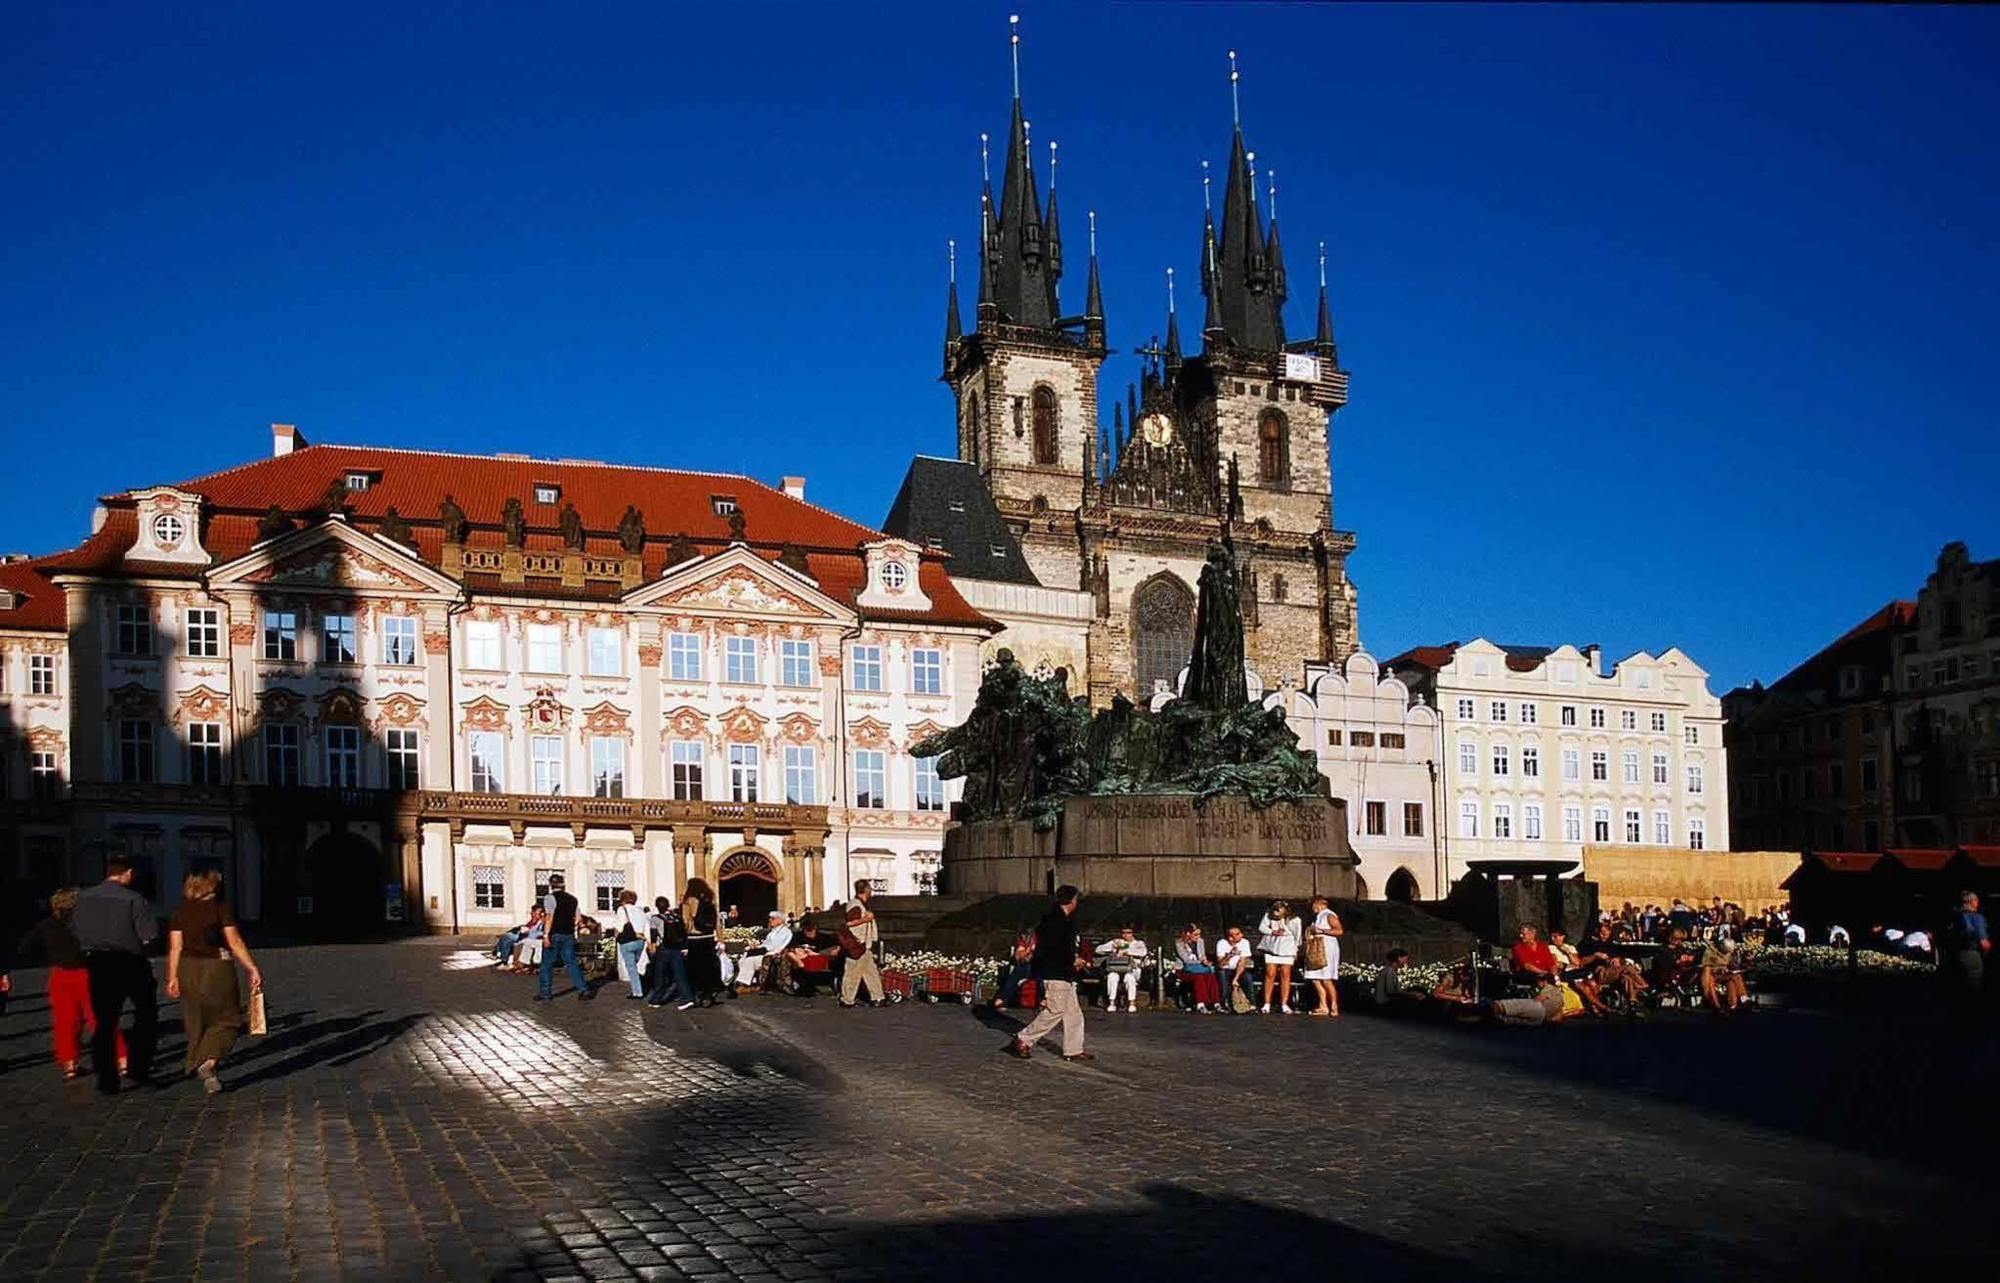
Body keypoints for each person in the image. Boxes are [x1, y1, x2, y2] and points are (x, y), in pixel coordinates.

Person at [165, 869, 262, 1094]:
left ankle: (195, 1059)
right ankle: (208, 1062)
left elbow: (175, 947)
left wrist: (172, 977)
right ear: (212, 885)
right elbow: (234, 941)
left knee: (195, 1018)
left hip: (187, 967)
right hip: (216, 967)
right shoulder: (220, 909)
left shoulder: (180, 912)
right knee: (227, 1018)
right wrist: (251, 967)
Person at [15, 888, 128, 1079]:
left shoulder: (47, 925)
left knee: (66, 1021)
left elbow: (24, 947)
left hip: (61, 975)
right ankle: (122, 1060)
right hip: (89, 974)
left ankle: (70, 1064)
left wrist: (49, 954)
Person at [72, 858, 160, 1093]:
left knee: (105, 1022)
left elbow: (76, 931)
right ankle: (138, 1068)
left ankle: (106, 1078)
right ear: (128, 873)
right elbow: (148, 936)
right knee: (146, 1014)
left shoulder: (84, 897)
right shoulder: (133, 899)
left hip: (98, 962)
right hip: (130, 960)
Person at [1003, 885, 1092, 1061]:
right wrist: (1073, 960)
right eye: (1075, 899)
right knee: (1055, 1010)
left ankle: (1073, 1049)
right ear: (1070, 900)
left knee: (1073, 1013)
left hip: (1063, 971)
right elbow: (1052, 949)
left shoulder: (1065, 920)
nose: (1077, 903)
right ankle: (1023, 1039)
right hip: (1055, 971)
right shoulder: (1054, 921)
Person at [535, 874, 595, 1002]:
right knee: (572, 963)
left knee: (547, 964)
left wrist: (546, 935)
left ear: (551, 885)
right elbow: (578, 918)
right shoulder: (573, 899)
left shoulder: (550, 898)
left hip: (554, 933)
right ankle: (583, 989)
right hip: (568, 934)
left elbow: (550, 916)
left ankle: (545, 993)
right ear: (563, 884)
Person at [838, 879, 884, 1008]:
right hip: (858, 945)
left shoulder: (861, 904)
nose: (871, 892)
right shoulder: (856, 905)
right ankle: (847, 1000)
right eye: (870, 889)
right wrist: (866, 919)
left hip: (864, 945)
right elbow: (849, 923)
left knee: (871, 972)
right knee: (852, 973)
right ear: (866, 890)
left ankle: (878, 997)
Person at [645, 894, 693, 1008]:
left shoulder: (655, 918)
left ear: (657, 906)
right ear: (668, 905)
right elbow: (683, 932)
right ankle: (688, 998)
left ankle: (656, 999)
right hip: (677, 948)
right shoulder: (676, 916)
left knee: (660, 974)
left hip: (664, 948)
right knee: (680, 974)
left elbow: (653, 935)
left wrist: (652, 946)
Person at [1946, 891, 1990, 1014]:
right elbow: (1983, 943)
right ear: (1973, 902)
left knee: (1958, 990)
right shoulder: (1977, 918)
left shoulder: (1955, 918)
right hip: (1972, 956)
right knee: (1973, 991)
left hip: (1956, 955)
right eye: (1976, 900)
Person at [681, 878, 722, 1006]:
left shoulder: (689, 901)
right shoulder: (710, 901)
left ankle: (697, 995)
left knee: (694, 969)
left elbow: (686, 922)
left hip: (695, 938)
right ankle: (709, 994)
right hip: (708, 938)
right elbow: (717, 923)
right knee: (708, 967)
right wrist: (721, 940)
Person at [1301, 895, 1343, 1016]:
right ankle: (1323, 1005)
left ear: (1319, 904)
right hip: (1315, 948)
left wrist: (1322, 931)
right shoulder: (1318, 917)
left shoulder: (1329, 915)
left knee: (1326, 978)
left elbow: (1339, 930)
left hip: (1326, 948)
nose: (1312, 908)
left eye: (1313, 905)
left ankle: (1334, 1005)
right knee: (1314, 977)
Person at [1257, 900, 1301, 1014]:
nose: (1276, 914)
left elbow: (1297, 937)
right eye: (1274, 911)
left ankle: (1284, 1004)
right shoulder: (1269, 915)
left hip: (1287, 949)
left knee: (1285, 975)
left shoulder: (1295, 920)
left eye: (1279, 911)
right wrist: (1273, 932)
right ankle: (1266, 1003)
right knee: (1270, 974)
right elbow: (1262, 928)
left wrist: (1295, 951)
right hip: (1272, 948)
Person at [608, 889, 650, 1000]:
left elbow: (619, 926)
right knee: (636, 965)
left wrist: (616, 937)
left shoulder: (622, 909)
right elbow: (647, 927)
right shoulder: (641, 911)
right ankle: (640, 984)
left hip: (627, 941)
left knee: (631, 967)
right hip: (640, 941)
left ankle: (637, 992)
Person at [1094, 925, 1147, 1013]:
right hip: (1116, 967)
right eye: (1124, 933)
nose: (1126, 935)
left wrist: (1127, 952)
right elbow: (1098, 950)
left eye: (1128, 933)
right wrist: (1112, 948)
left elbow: (1143, 952)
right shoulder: (1117, 942)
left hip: (1132, 969)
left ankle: (1131, 1003)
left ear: (1133, 934)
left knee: (1129, 978)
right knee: (1112, 976)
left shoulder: (1139, 943)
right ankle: (1112, 1002)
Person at [738, 911, 793, 991]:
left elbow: (775, 946)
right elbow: (766, 944)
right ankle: (750, 981)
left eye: (772, 918)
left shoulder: (785, 932)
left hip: (771, 955)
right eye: (770, 918)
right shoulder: (773, 932)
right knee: (743, 958)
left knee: (749, 961)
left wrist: (760, 949)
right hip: (764, 952)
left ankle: (744, 983)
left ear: (779, 920)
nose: (770, 920)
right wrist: (756, 947)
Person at [1699, 928, 1747, 1015]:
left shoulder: (1728, 952)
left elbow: (1731, 964)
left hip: (1723, 973)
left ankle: (1738, 1002)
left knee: (1734, 978)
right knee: (1712, 982)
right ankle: (1717, 1006)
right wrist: (1718, 969)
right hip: (1712, 975)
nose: (1727, 954)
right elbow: (1706, 966)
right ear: (1721, 947)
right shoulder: (1710, 952)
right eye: (1726, 951)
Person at [1175, 925, 1219, 1012]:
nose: (1198, 937)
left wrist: (1205, 961)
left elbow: (1202, 955)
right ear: (1188, 934)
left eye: (1199, 934)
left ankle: (1215, 1002)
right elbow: (1186, 960)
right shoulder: (1179, 944)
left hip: (1199, 968)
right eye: (1195, 935)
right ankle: (1201, 1003)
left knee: (1211, 976)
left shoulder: (1200, 941)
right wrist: (1201, 962)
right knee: (1199, 978)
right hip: (1185, 970)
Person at [1371, 949, 1427, 1014]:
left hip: (1389, 1001)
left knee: (1418, 989)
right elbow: (1390, 991)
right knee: (1414, 1000)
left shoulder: (1391, 970)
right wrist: (1411, 994)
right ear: (1399, 959)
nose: (1406, 962)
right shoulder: (1389, 971)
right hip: (1385, 1004)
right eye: (1405, 959)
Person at [993, 932, 1036, 1009]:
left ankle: (1002, 999)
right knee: (1016, 976)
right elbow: (1019, 955)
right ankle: (1002, 999)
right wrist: (1028, 952)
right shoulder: (1028, 939)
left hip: (1036, 965)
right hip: (1026, 964)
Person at [1216, 925, 1254, 1012]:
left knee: (1247, 977)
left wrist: (1235, 979)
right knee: (1222, 976)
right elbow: (1221, 964)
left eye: (1240, 933)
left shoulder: (1244, 942)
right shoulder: (1221, 943)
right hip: (1225, 969)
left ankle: (1251, 1002)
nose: (1241, 935)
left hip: (1238, 969)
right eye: (1237, 934)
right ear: (1230, 938)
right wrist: (1230, 955)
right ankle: (1222, 1003)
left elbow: (1242, 962)